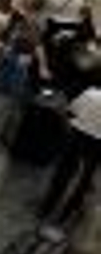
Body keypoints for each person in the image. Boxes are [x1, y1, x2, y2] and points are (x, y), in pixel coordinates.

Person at [40, 85, 101, 229]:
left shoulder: (90, 92)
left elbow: (70, 111)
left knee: (63, 172)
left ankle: (46, 207)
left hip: (77, 135)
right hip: (97, 143)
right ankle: (67, 214)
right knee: (84, 178)